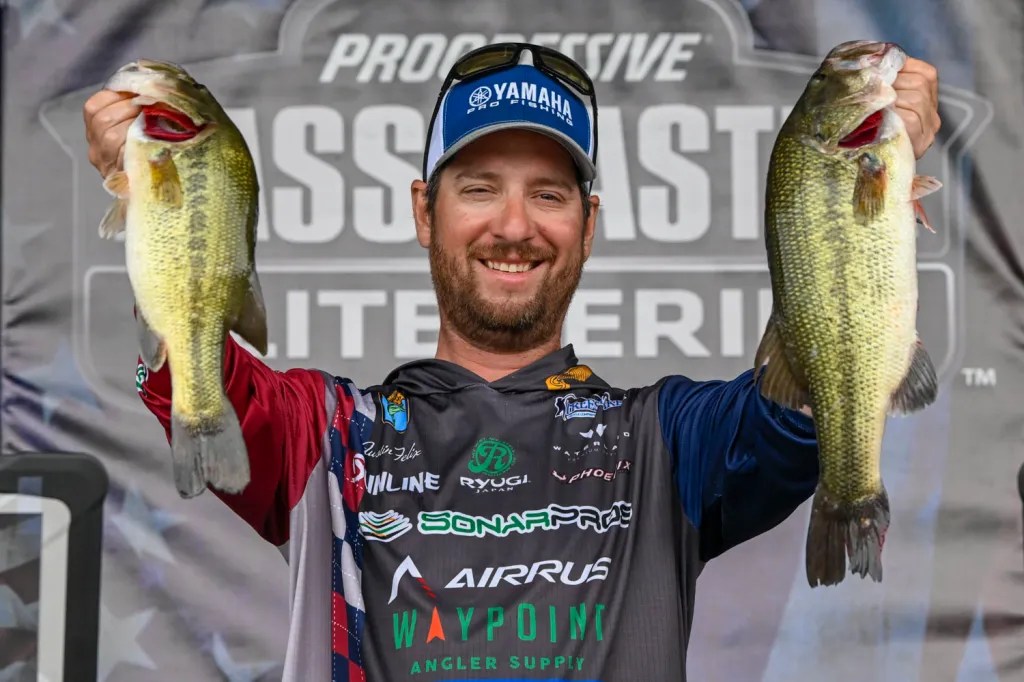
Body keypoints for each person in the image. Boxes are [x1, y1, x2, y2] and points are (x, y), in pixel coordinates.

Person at [82, 42, 941, 682]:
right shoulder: (330, 439)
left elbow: (807, 398)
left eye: (549, 193)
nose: (515, 225)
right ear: (425, 212)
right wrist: (157, 191)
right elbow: (200, 370)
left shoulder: (667, 441)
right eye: (479, 186)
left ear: (588, 226)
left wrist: (866, 187)